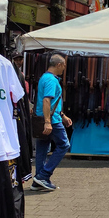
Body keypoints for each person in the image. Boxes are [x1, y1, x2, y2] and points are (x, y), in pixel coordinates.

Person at [33, 54, 72, 191]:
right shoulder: (51, 80)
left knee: (42, 150)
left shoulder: (45, 77)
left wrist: (63, 115)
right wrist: (48, 122)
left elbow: (53, 102)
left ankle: (38, 181)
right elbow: (46, 101)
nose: (64, 69)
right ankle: (43, 176)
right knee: (63, 145)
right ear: (59, 65)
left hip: (45, 118)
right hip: (51, 120)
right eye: (64, 66)